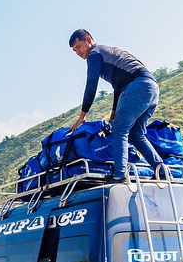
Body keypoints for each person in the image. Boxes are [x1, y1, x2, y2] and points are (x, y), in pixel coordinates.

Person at [68, 29, 164, 183]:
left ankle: (119, 175)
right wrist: (113, 112)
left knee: (119, 129)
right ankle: (162, 171)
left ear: (88, 40)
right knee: (135, 134)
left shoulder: (94, 54)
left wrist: (82, 116)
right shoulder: (108, 52)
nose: (78, 53)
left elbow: (91, 86)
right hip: (151, 88)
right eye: (74, 50)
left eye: (79, 47)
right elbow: (118, 86)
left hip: (137, 87)